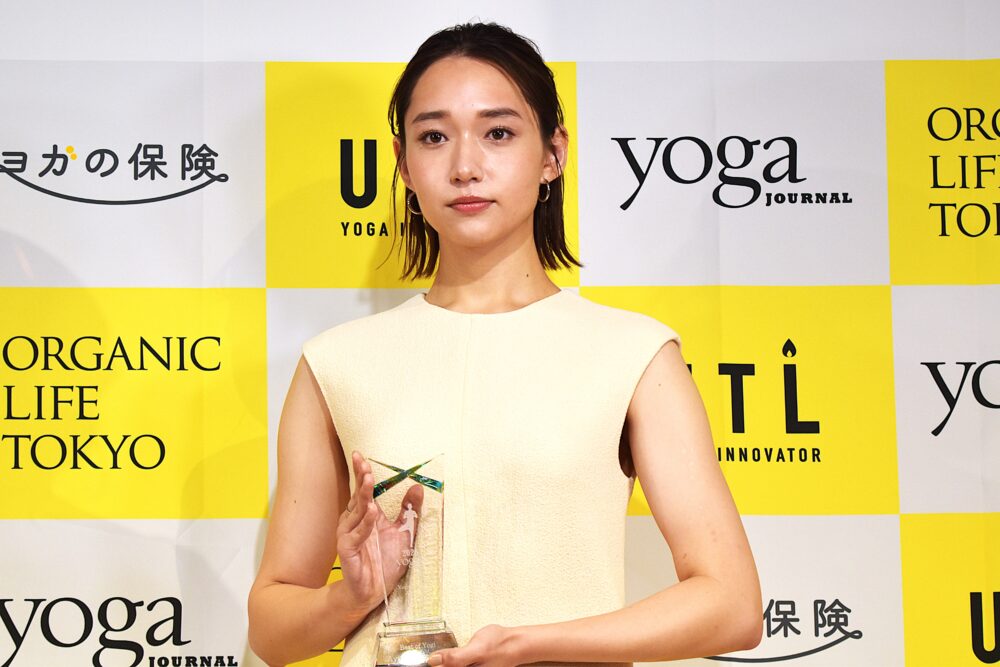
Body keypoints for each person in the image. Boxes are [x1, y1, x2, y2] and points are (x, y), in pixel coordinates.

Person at [248, 21, 762, 667]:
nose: (465, 167)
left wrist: (528, 645)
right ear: (404, 165)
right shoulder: (336, 363)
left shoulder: (634, 354)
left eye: (498, 133)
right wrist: (349, 596)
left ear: (552, 154)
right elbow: (271, 629)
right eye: (434, 137)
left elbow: (732, 605)